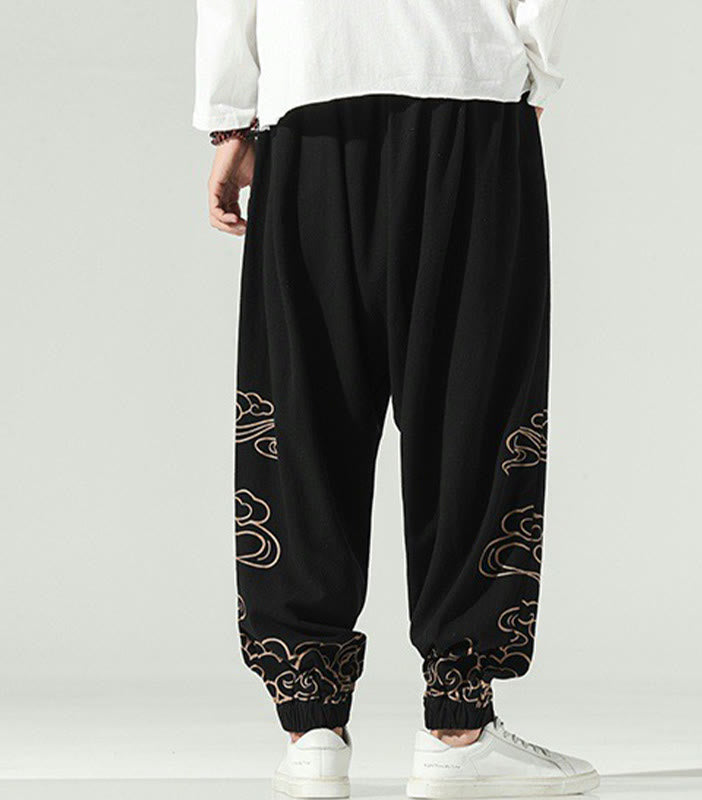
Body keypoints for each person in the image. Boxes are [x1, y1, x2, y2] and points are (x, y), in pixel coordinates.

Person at [193, 1, 599, 796]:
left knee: (302, 412)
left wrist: (230, 115)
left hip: (309, 98)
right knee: (473, 411)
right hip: (466, 85)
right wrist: (532, 68)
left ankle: (312, 726)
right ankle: (459, 727)